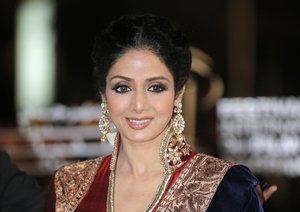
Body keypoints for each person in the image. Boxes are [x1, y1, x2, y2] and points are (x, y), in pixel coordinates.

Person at [44, 14, 276, 211]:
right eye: (122, 88)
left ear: (178, 92)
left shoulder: (227, 188)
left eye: (155, 88)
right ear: (104, 94)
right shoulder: (68, 185)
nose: (138, 104)